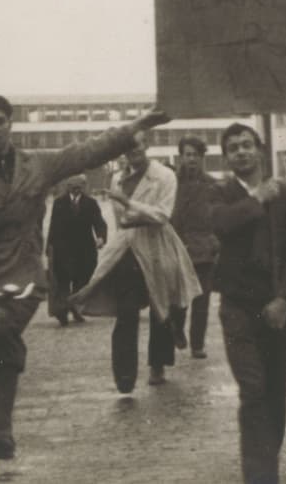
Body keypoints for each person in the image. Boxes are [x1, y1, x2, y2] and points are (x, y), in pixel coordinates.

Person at [0, 94, 170, 460]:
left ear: (10, 124)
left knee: (1, 328)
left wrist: (139, 125)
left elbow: (88, 152)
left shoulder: (38, 166)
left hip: (18, 274)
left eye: (0, 120)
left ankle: (0, 423)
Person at [210, 123, 286, 484]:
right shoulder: (219, 192)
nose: (241, 152)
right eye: (233, 148)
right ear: (226, 157)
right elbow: (219, 223)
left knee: (275, 389)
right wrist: (256, 200)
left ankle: (266, 456)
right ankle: (261, 476)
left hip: (279, 307)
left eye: (247, 145)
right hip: (237, 307)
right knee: (253, 390)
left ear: (260, 149)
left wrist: (285, 299)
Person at [70, 132, 200, 392]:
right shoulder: (117, 178)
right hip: (128, 250)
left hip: (158, 246)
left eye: (137, 145)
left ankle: (157, 365)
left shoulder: (164, 176)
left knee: (160, 307)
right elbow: (121, 221)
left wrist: (128, 202)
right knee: (126, 312)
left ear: (147, 145)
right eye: (127, 147)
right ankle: (125, 375)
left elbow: (162, 215)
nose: (132, 151)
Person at [171, 136, 219, 358]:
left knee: (202, 300)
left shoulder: (211, 184)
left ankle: (197, 345)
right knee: (180, 298)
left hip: (205, 250)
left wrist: (216, 241)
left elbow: (219, 216)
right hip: (178, 247)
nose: (191, 159)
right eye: (187, 154)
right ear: (181, 157)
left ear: (202, 158)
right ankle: (177, 329)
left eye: (195, 155)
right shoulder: (171, 183)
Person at [46, 174, 107, 326]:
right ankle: (62, 312)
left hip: (84, 249)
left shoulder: (91, 203)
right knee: (63, 281)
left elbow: (99, 222)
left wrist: (100, 237)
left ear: (84, 186)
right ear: (68, 186)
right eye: (73, 185)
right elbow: (53, 226)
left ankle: (75, 307)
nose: (76, 188)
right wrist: (49, 246)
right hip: (63, 249)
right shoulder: (59, 203)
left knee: (82, 279)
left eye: (79, 185)